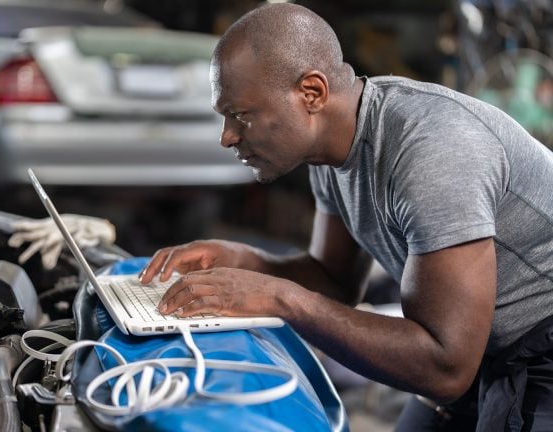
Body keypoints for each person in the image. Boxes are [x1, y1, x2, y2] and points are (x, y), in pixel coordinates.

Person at [138, 3, 553, 431]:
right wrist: (242, 262)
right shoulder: (330, 150)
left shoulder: (434, 149)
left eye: (241, 115)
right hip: (475, 348)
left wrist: (282, 298)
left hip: (537, 342)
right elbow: (334, 280)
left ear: (312, 93)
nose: (226, 137)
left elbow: (445, 369)